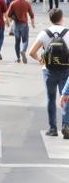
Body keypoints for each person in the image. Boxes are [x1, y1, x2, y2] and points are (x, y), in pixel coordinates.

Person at [29, 8, 69, 138]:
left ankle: (52, 128)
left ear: (50, 20)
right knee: (66, 97)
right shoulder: (67, 33)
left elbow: (31, 52)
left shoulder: (44, 33)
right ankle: (66, 126)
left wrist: (41, 59)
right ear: (61, 18)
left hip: (48, 70)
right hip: (65, 70)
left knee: (51, 99)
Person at [6, 0, 35, 64]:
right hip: (24, 24)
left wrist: (8, 23)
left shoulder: (13, 3)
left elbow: (8, 15)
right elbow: (31, 15)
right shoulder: (27, 3)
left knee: (17, 42)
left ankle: (18, 58)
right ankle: (23, 50)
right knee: (25, 40)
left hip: (16, 24)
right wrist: (33, 23)